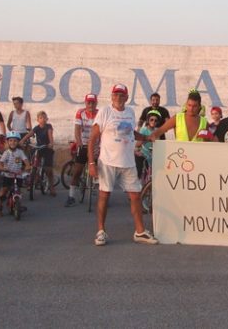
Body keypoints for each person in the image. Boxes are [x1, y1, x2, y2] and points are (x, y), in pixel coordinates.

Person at [88, 83, 157, 246]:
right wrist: (91, 162)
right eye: (116, 95)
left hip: (128, 162)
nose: (118, 98)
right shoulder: (105, 112)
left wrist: (146, 138)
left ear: (126, 97)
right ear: (112, 97)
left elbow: (130, 132)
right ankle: (101, 231)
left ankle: (139, 231)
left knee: (135, 196)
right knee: (104, 195)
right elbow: (92, 139)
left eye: (122, 95)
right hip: (108, 161)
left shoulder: (130, 112)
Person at [67, 93, 99, 207]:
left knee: (99, 169)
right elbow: (77, 129)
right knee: (77, 172)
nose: (91, 104)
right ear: (85, 103)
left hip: (96, 145)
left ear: (96, 103)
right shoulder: (80, 113)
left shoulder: (100, 113)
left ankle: (100, 192)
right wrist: (79, 143)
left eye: (93, 102)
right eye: (88, 102)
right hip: (84, 143)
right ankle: (71, 196)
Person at [21, 110, 55, 196]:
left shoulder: (48, 127)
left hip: (46, 148)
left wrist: (51, 143)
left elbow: (50, 135)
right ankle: (33, 181)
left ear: (47, 119)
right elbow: (29, 134)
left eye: (44, 117)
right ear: (37, 120)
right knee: (33, 164)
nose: (42, 119)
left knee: (48, 169)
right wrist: (22, 141)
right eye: (40, 118)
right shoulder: (36, 128)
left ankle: (51, 187)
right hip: (38, 148)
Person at [0, 131, 30, 217]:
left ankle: (17, 204)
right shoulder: (6, 153)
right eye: (11, 140)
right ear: (8, 142)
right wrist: (2, 168)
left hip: (18, 175)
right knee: (3, 191)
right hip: (8, 175)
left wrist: (27, 166)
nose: (13, 142)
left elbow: (26, 161)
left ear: (18, 142)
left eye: (15, 141)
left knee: (18, 190)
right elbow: (0, 163)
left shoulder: (20, 152)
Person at [135, 110, 161, 178]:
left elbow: (158, 145)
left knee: (152, 176)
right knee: (141, 175)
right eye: (151, 120)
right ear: (148, 120)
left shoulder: (157, 131)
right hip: (143, 156)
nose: (153, 122)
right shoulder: (144, 130)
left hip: (152, 157)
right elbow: (138, 144)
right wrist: (147, 138)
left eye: (155, 120)